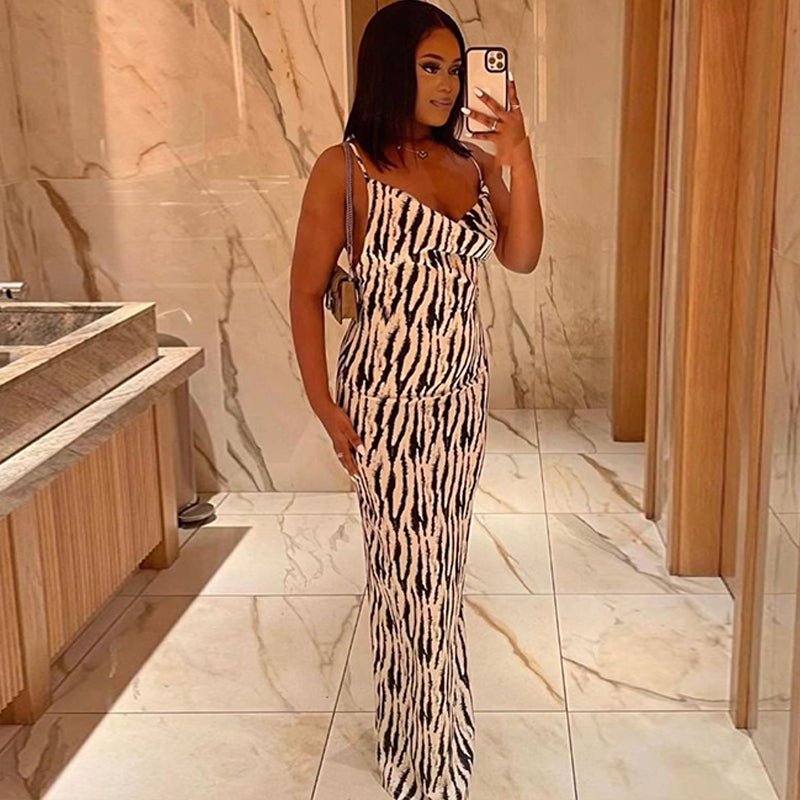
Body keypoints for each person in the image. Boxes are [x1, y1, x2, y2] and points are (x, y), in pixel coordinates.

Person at [289, 2, 542, 797]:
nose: (448, 84)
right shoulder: (346, 168)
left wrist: (519, 156)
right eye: (430, 67)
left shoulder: (471, 164)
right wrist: (324, 406)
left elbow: (523, 256)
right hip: (387, 406)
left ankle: (424, 728)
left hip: (460, 403)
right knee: (408, 576)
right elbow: (304, 294)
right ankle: (424, 754)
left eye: (455, 69)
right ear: (389, 69)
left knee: (444, 567)